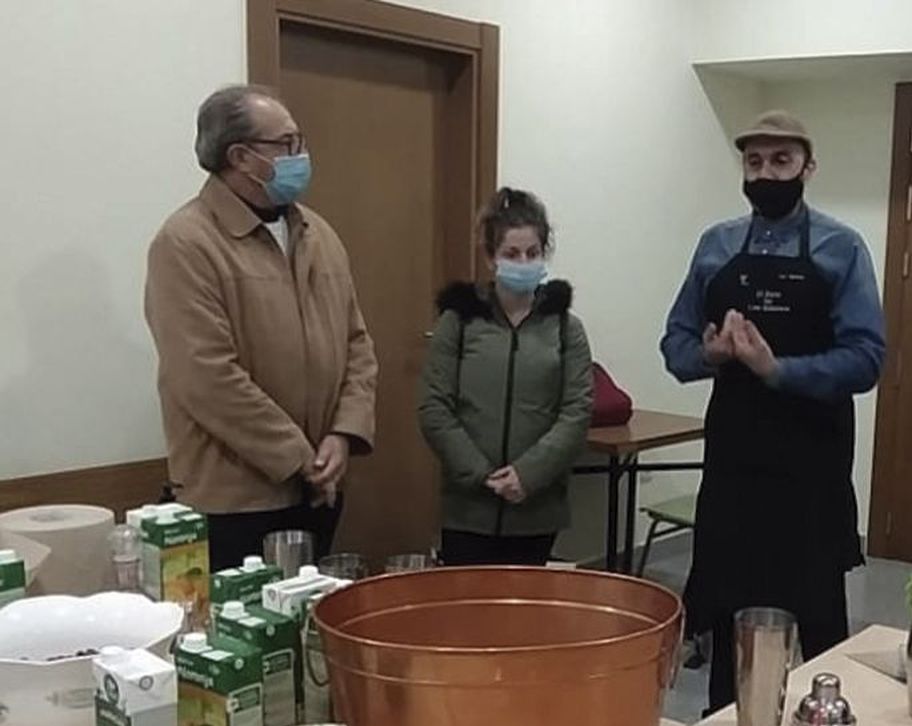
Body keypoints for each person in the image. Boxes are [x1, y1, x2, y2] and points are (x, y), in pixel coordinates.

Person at [661, 111, 886, 713]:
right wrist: (710, 354)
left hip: (810, 468)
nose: (766, 173)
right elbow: (674, 346)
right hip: (735, 463)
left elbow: (866, 359)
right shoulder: (715, 246)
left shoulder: (842, 248)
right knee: (729, 611)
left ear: (807, 167)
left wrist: (777, 370)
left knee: (816, 617)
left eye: (780, 161)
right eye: (754, 162)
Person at [145, 85, 377, 570]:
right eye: (287, 144)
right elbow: (206, 377)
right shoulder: (186, 242)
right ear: (241, 156)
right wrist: (299, 456)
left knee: (306, 629)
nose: (302, 156)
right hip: (235, 500)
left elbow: (357, 345)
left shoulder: (317, 233)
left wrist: (342, 433)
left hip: (318, 489)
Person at [419, 188, 594, 566]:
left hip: (537, 510)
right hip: (468, 510)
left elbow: (576, 411)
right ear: (489, 256)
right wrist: (483, 476)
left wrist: (528, 474)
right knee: (467, 613)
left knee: (526, 618)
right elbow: (435, 406)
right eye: (511, 254)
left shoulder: (566, 329)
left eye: (532, 253)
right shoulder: (458, 322)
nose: (524, 262)